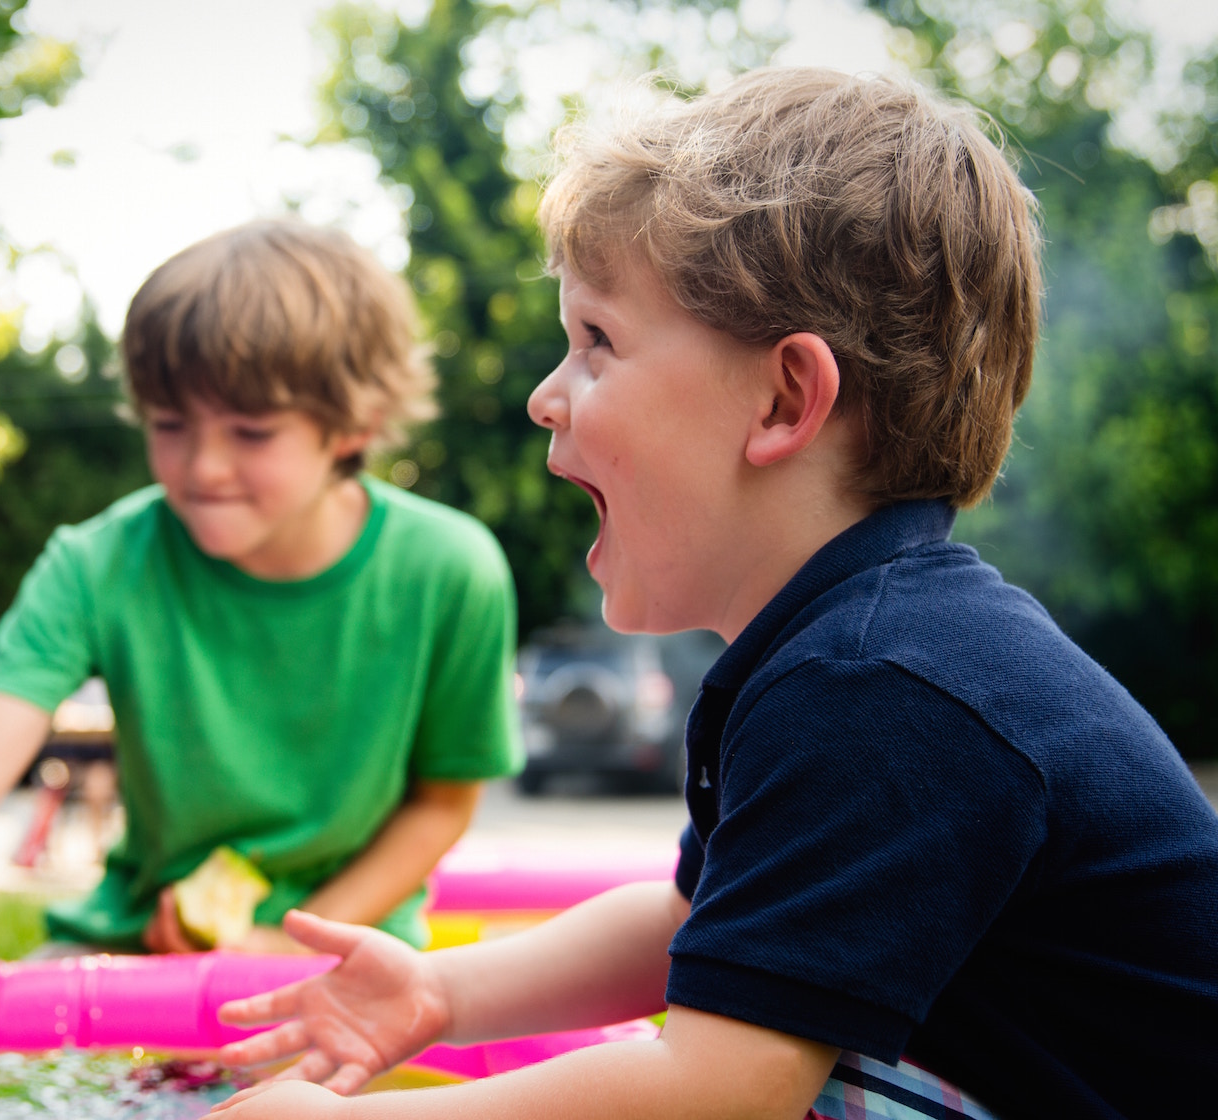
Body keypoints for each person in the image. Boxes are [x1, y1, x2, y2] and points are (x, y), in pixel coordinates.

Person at [196, 69, 1218, 1120]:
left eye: (596, 341)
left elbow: (719, 1092)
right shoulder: (845, 651)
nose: (547, 394)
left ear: (784, 400)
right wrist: (439, 991)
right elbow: (693, 919)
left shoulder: (885, 687)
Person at [0, 219, 523, 1068]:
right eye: (169, 424)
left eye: (250, 432)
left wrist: (284, 941)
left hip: (345, 958)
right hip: (133, 947)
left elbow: (442, 801)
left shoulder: (451, 569)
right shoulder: (97, 562)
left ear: (355, 425)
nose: (201, 466)